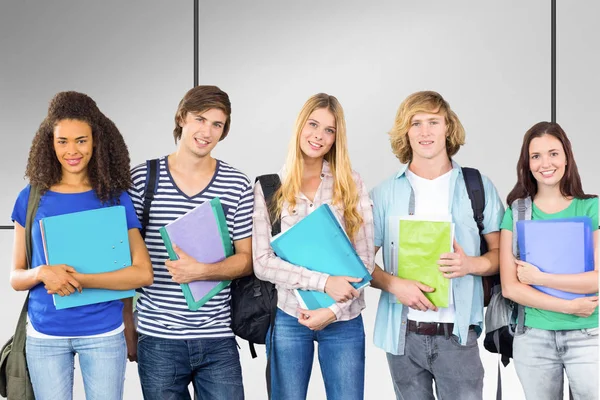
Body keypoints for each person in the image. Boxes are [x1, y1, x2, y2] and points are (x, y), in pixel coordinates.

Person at [9, 91, 153, 400]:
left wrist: (79, 281)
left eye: (81, 140)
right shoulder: (31, 197)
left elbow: (143, 273)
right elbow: (15, 277)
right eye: (62, 141)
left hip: (103, 333)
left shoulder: (115, 197)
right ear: (51, 143)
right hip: (45, 334)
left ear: (96, 141)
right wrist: (42, 273)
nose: (72, 150)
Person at [369, 91, 504, 400]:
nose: (425, 131)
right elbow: (361, 261)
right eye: (416, 123)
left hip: (457, 337)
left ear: (448, 128)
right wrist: (394, 285)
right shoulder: (384, 193)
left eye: (434, 122)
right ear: (405, 132)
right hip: (403, 337)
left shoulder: (477, 186)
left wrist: (471, 264)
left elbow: (500, 256)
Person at [128, 85, 253, 400]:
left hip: (218, 338)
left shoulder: (236, 184)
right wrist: (128, 329)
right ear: (182, 117)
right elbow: (124, 261)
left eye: (217, 124)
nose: (206, 131)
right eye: (200, 119)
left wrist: (201, 271)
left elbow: (247, 259)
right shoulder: (143, 179)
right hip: (158, 339)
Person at [252, 93, 374, 400]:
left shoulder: (351, 184)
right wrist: (323, 282)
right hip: (289, 316)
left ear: (336, 138)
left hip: (343, 318)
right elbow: (263, 262)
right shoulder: (270, 187)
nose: (318, 135)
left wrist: (332, 310)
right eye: (313, 124)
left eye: (329, 130)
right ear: (299, 127)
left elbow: (366, 260)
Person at [499, 121, 598, 400]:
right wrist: (570, 305)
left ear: (567, 156)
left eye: (554, 153)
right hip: (534, 338)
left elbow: (598, 279)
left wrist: (540, 278)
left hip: (588, 336)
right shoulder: (516, 213)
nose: (546, 163)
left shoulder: (592, 209)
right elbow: (511, 288)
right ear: (527, 163)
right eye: (536, 156)